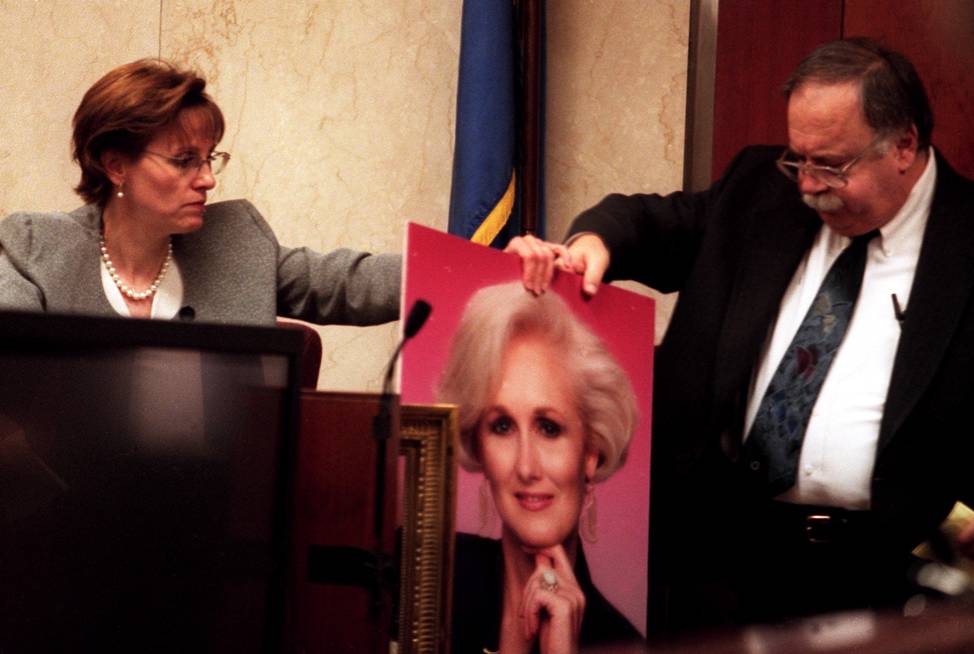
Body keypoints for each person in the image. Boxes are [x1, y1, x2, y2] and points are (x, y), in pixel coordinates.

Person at [538, 37, 974, 636]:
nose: (807, 184)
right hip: (736, 567)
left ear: (904, 145)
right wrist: (590, 243)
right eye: (797, 159)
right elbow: (648, 221)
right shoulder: (760, 191)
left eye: (830, 164)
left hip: (919, 576)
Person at [0, 58, 400, 325]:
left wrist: (457, 268)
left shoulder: (237, 243)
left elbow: (352, 283)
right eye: (184, 160)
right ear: (116, 165)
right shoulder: (34, 250)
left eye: (210, 158)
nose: (208, 179)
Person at [436, 282, 641, 653]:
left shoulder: (622, 643)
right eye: (502, 426)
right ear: (478, 446)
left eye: (549, 428)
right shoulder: (425, 576)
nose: (526, 467)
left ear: (591, 451)